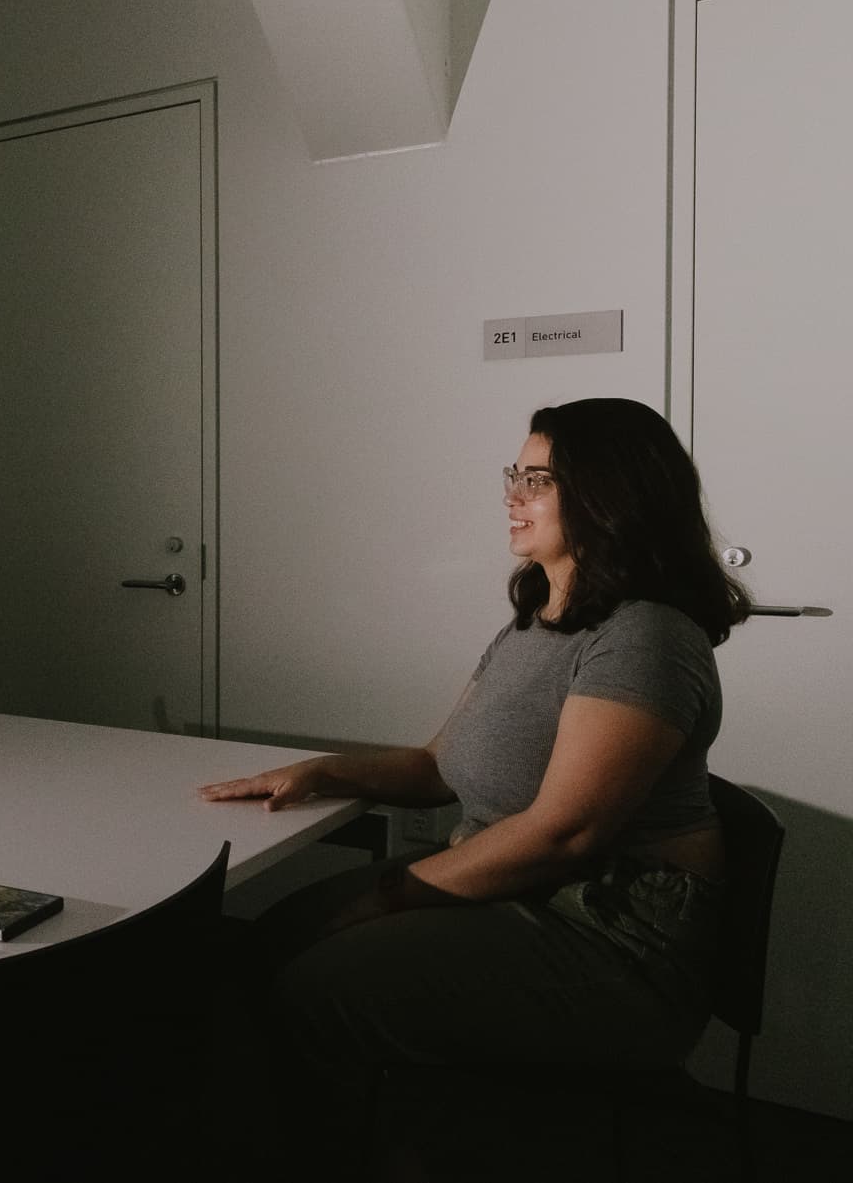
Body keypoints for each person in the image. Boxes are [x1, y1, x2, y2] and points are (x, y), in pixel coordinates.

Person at [200, 397, 751, 1174]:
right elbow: (439, 764)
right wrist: (323, 768)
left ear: (610, 494)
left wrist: (388, 895)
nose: (512, 493)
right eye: (513, 472)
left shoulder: (647, 635)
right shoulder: (537, 616)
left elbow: (566, 832)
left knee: (314, 985)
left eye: (538, 478)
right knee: (271, 938)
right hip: (519, 895)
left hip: (609, 939)